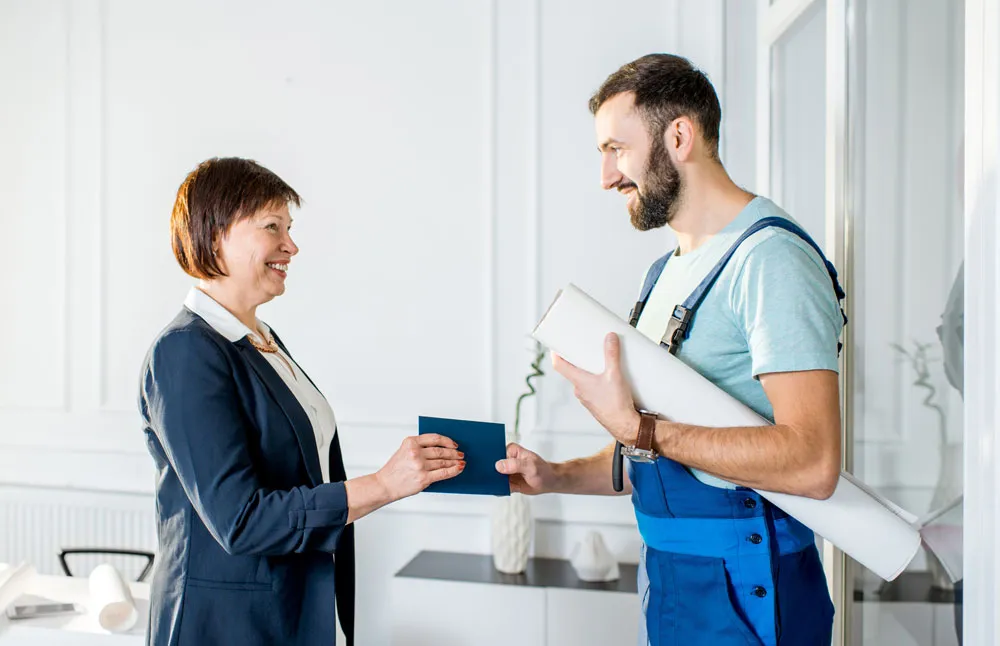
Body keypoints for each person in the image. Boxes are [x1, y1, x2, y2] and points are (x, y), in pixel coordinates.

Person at [496, 54, 843, 645]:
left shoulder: (771, 262)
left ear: (678, 135)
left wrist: (642, 431)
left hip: (750, 588)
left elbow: (813, 464)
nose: (606, 177)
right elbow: (652, 454)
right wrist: (552, 474)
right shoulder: (662, 274)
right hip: (674, 584)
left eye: (617, 150)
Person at [138, 157, 465, 646]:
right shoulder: (184, 351)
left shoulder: (261, 339)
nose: (291, 246)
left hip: (292, 611)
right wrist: (381, 485)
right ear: (214, 234)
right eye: (273, 227)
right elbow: (242, 520)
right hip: (227, 627)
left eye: (289, 228)